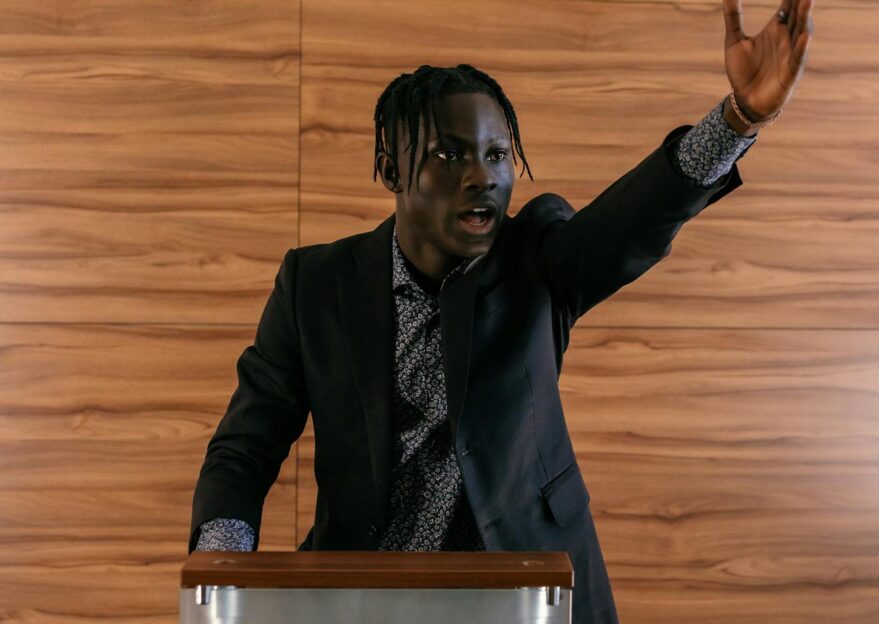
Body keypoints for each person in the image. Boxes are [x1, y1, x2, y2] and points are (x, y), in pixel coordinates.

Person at [188, 1, 814, 621]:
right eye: (449, 154)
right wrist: (219, 577)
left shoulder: (538, 258)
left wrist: (737, 120)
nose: (481, 176)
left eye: (495, 155)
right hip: (368, 594)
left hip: (529, 593)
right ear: (389, 168)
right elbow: (247, 445)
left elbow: (629, 226)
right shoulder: (316, 284)